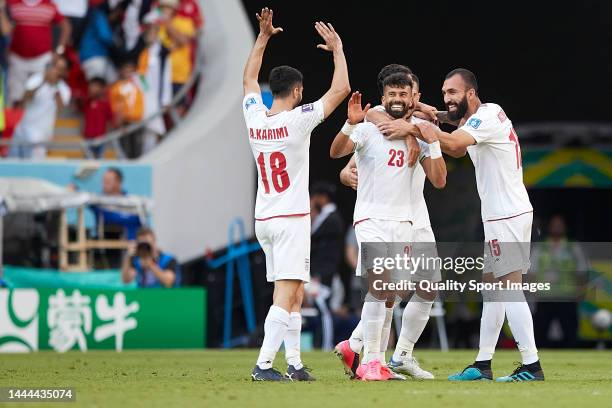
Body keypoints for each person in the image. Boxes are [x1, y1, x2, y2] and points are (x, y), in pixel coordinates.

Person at [411, 68, 544, 382]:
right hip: (503, 214)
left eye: (453, 92)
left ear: (470, 93)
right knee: (492, 290)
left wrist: (426, 131)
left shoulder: (485, 117)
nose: (447, 98)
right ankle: (483, 364)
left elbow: (456, 145)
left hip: (507, 215)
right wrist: (429, 113)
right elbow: (452, 120)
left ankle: (531, 365)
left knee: (509, 289)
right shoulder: (481, 117)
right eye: (444, 93)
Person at [243, 8, 349, 381]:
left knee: (295, 291)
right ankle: (264, 365)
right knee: (286, 293)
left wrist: (263, 37)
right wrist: (337, 49)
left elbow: (248, 81)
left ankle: (295, 364)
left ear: (274, 89)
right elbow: (341, 90)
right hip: (290, 219)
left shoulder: (255, 118)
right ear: (299, 90)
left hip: (265, 219)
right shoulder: (298, 119)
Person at [329, 73, 446, 381]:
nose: (397, 98)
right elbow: (338, 152)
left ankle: (366, 352)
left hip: (406, 221)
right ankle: (373, 360)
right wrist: (351, 124)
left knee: (394, 292)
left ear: (414, 97)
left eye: (403, 94)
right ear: (382, 98)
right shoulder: (369, 128)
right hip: (372, 219)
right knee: (381, 288)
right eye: (391, 93)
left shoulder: (422, 133)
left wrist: (426, 136)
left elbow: (440, 178)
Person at [531, 215, 588, 347]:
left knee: (571, 334)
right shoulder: (540, 248)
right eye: (554, 224)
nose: (557, 227)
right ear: (549, 227)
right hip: (544, 297)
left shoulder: (573, 247)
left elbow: (582, 271)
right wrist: (532, 291)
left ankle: (573, 363)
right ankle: (536, 363)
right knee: (539, 335)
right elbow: (532, 272)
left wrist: (581, 291)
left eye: (560, 224)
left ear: (565, 227)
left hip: (567, 297)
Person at [6, 0, 71, 106]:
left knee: (40, 96)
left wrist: (59, 50)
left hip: (41, 59)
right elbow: (6, 28)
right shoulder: (13, 3)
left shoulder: (49, 5)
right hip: (17, 58)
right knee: (15, 98)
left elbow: (66, 27)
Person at [8, 55, 70, 159]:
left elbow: (60, 108)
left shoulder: (65, 89)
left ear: (65, 72)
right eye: (55, 66)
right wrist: (43, 82)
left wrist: (55, 86)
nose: (55, 70)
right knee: (12, 166)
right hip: (21, 131)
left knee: (32, 170)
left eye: (60, 68)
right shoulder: (37, 78)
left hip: (40, 138)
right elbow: (24, 99)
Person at [308, 181, 344, 350]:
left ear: (322, 198)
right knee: (321, 308)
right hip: (320, 270)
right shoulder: (325, 217)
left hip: (324, 271)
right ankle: (323, 342)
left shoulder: (332, 218)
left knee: (323, 308)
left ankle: (326, 343)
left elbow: (313, 238)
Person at [157, 0, 195, 115]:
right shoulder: (157, 25)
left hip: (179, 75)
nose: (164, 11)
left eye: (167, 8)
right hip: (162, 75)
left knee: (181, 108)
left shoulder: (185, 22)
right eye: (162, 8)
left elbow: (183, 40)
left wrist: (168, 25)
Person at [109, 58, 145, 158]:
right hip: (123, 122)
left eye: (131, 70)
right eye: (126, 70)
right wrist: (118, 122)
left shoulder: (140, 83)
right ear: (121, 71)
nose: (128, 73)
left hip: (138, 120)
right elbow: (113, 106)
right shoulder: (116, 87)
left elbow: (148, 92)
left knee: (138, 149)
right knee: (125, 149)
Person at [82, 77, 112, 158]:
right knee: (88, 160)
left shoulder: (105, 104)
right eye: (91, 87)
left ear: (102, 89)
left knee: (101, 159)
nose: (92, 89)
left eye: (95, 86)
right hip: (88, 137)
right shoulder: (87, 102)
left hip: (101, 138)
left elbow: (110, 118)